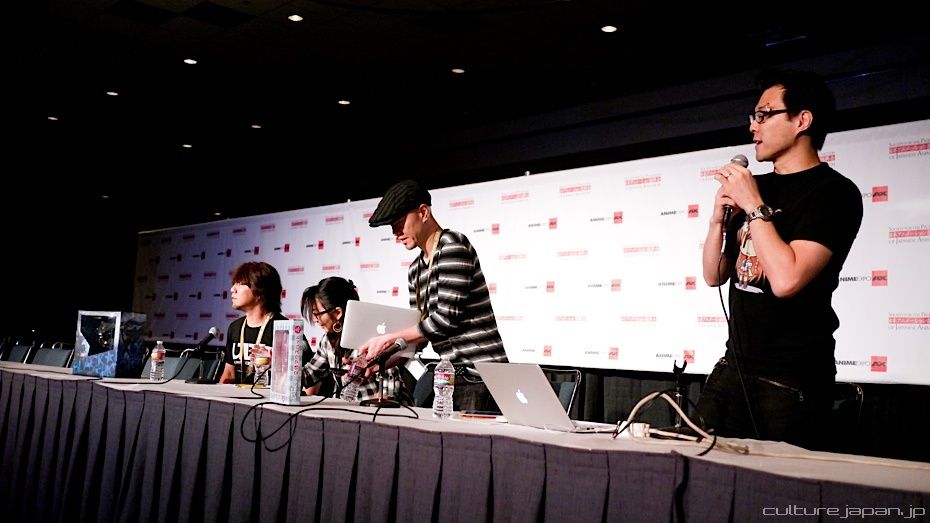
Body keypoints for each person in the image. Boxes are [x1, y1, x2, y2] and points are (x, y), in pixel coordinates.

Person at [696, 70, 863, 448]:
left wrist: (753, 204)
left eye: (764, 115)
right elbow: (714, 274)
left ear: (802, 120)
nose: (752, 127)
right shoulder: (757, 186)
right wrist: (717, 220)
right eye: (753, 116)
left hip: (790, 381)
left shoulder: (834, 193)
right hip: (732, 370)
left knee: (775, 482)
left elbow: (787, 280)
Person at [361, 179, 508, 412]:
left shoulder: (452, 247)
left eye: (399, 223)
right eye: (392, 227)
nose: (395, 233)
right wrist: (379, 362)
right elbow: (421, 336)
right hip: (451, 379)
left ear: (423, 212)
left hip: (482, 378)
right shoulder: (415, 271)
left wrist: (388, 339)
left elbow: (445, 320)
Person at [300, 277, 404, 402]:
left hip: (382, 409)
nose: (315, 319)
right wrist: (285, 370)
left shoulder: (371, 338)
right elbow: (309, 374)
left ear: (338, 313)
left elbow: (390, 386)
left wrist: (378, 401)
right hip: (349, 408)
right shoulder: (327, 341)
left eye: (317, 314)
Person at [219, 261, 287, 384]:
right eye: (233, 284)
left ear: (259, 291)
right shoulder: (235, 327)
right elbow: (229, 372)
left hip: (268, 396)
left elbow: (307, 380)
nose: (232, 289)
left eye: (240, 284)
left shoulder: (285, 329)